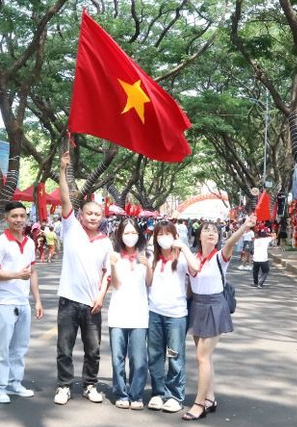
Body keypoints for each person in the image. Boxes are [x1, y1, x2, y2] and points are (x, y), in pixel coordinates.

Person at [180, 216, 256, 421]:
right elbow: (189, 285)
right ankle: (210, 398)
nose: (211, 232)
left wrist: (244, 227)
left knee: (201, 358)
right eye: (206, 229)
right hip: (197, 306)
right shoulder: (194, 258)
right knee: (205, 357)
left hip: (214, 306)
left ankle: (199, 404)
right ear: (198, 235)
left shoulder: (220, 256)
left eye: (215, 230)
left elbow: (231, 242)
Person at [54, 151, 113, 406]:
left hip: (92, 304)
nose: (93, 217)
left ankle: (90, 385)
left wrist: (101, 296)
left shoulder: (105, 242)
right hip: (68, 300)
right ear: (81, 216)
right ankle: (64, 386)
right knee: (64, 348)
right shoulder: (71, 229)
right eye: (89, 213)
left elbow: (107, 274)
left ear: (102, 219)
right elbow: (65, 197)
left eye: (97, 215)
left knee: (93, 349)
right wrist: (63, 170)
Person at [0, 201, 44, 404]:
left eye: (22, 216)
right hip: (5, 303)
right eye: (14, 216)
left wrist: (37, 300)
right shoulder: (0, 243)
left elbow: (32, 272)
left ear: (26, 218)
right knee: (2, 348)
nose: (18, 220)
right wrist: (16, 275)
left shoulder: (30, 243)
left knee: (20, 348)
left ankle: (14, 383)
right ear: (6, 219)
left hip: (23, 303)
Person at [146, 220, 197, 413]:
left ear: (175, 236)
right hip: (155, 313)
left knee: (175, 355)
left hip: (176, 315)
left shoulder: (182, 258)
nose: (164, 238)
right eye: (160, 235)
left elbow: (195, 269)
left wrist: (183, 246)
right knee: (155, 355)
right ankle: (158, 393)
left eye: (168, 234)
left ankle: (175, 395)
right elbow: (148, 282)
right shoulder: (153, 257)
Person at [107, 218, 151, 410]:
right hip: (118, 313)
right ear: (120, 235)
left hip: (140, 313)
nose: (130, 236)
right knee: (118, 357)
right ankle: (121, 393)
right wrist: (113, 266)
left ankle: (136, 394)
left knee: (139, 358)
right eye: (126, 233)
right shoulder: (114, 255)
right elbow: (115, 284)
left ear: (139, 235)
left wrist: (148, 265)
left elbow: (149, 283)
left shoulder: (146, 255)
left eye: (133, 233)